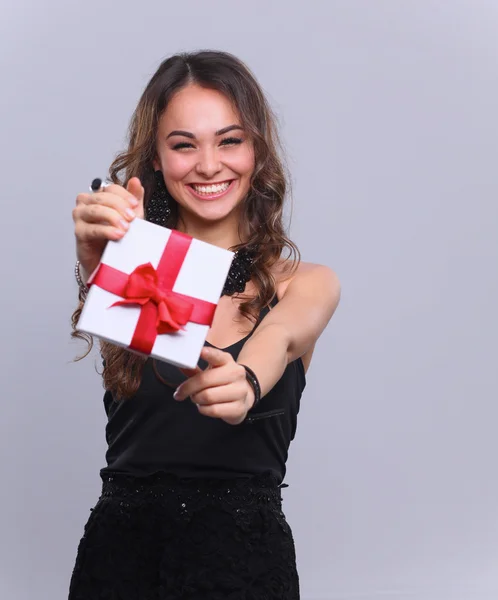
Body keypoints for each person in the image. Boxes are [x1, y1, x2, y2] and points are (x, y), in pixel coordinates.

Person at [69, 50, 341, 600]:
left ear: (257, 150)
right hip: (120, 559)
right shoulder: (133, 270)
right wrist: (94, 261)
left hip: (243, 563)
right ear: (158, 158)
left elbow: (279, 337)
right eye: (184, 144)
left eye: (230, 140)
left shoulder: (305, 283)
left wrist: (244, 381)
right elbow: (113, 293)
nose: (209, 164)